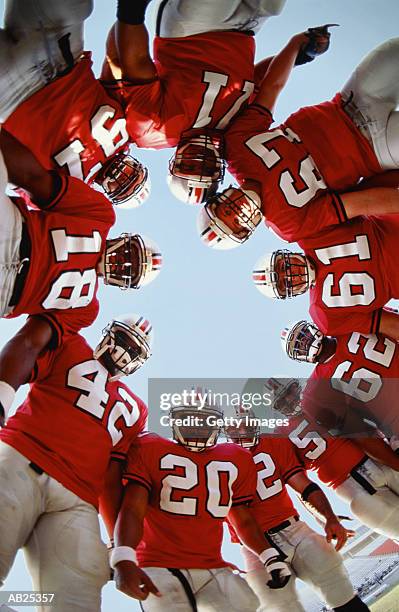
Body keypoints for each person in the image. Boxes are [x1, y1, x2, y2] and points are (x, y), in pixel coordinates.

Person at [0, 139, 161, 422]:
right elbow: (33, 179)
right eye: (130, 255)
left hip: (7, 278)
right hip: (12, 239)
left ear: (125, 286)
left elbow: (29, 342)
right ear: (123, 239)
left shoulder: (86, 309)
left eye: (131, 268)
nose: (123, 263)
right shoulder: (100, 215)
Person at [0, 313, 151, 611]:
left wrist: (119, 548)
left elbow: (111, 476)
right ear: (108, 333)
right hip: (22, 459)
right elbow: (25, 348)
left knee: (76, 600)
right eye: (121, 340)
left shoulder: (136, 410)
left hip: (77, 500)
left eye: (132, 349)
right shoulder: (71, 345)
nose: (122, 351)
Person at [197, 34, 399, 247]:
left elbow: (271, 87)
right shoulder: (289, 224)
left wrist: (296, 43)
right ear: (248, 231)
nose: (238, 213)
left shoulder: (237, 150)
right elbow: (360, 204)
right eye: (236, 223)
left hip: (351, 100)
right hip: (377, 149)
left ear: (220, 197)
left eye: (226, 212)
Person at [107, 395, 293, 610]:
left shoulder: (235, 458)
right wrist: (123, 556)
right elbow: (132, 509)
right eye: (190, 419)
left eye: (205, 420)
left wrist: (270, 557)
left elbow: (242, 519)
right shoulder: (150, 448)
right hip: (158, 564)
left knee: (247, 603)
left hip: (213, 565)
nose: (197, 426)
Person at [102, 0, 293, 204]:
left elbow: (137, 62)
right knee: (273, 5)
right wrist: (296, 57)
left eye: (191, 167)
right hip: (247, 32)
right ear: (219, 168)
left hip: (191, 30)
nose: (200, 161)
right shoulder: (233, 132)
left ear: (174, 164)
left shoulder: (154, 131)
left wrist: (132, 11)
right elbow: (257, 80)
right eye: (207, 169)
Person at [1, 0, 150, 208]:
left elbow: (22, 176)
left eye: (121, 188)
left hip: (10, 98)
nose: (120, 178)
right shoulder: (133, 128)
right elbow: (115, 62)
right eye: (130, 176)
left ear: (108, 193)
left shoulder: (70, 193)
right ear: (137, 166)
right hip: (60, 50)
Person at [225, 421, 369, 612]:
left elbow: (304, 486)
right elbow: (237, 520)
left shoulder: (273, 441)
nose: (239, 431)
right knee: (279, 605)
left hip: (294, 530)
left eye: (242, 423)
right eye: (231, 427)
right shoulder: (218, 461)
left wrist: (330, 518)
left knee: (338, 587)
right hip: (253, 546)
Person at [252, 213, 399, 338]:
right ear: (290, 294)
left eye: (283, 267)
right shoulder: (323, 314)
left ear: (285, 255)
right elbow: (388, 324)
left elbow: (362, 202)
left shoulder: (309, 233)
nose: (290, 276)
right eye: (285, 283)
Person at [281, 319, 399, 439]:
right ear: (300, 356)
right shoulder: (316, 392)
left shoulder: (347, 323)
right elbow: (361, 434)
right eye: (297, 345)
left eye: (303, 334)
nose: (303, 341)